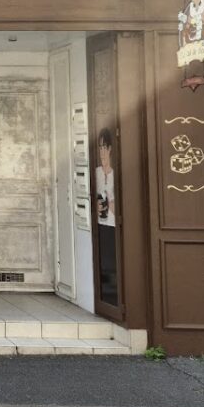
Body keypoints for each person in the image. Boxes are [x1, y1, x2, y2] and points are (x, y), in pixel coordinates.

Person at [95, 128, 118, 303]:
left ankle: (112, 295)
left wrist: (108, 202)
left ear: (110, 149)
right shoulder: (96, 172)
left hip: (113, 221)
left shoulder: (114, 174)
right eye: (100, 147)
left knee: (112, 256)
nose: (102, 151)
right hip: (99, 221)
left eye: (105, 147)